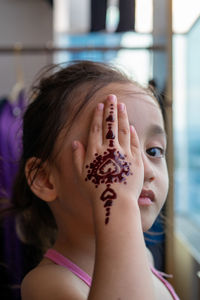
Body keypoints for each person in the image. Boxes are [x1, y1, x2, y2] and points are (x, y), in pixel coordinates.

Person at [5, 61, 179, 299]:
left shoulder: (145, 258)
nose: (143, 170)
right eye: (113, 148)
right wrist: (118, 201)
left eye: (154, 151)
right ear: (45, 179)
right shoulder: (48, 284)